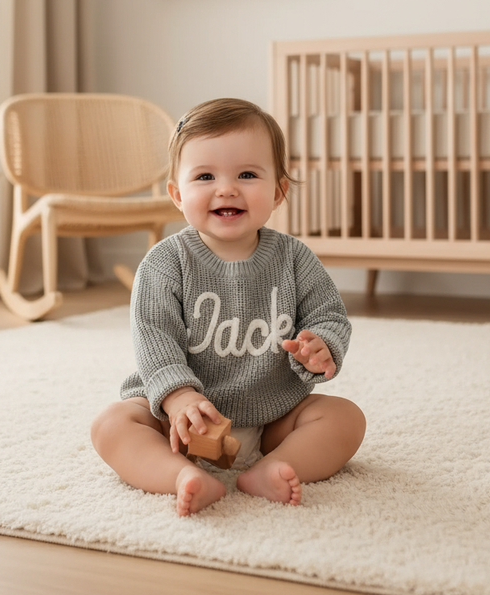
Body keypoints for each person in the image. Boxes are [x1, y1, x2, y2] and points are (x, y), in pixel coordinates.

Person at [91, 98, 366, 517]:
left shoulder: (294, 258)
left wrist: (321, 345)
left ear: (278, 192)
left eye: (247, 174)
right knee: (111, 425)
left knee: (346, 418)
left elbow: (329, 314)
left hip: (275, 414)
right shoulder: (165, 264)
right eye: (205, 176)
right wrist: (178, 398)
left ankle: (274, 467)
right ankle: (180, 476)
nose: (227, 188)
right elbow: (153, 337)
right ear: (177, 194)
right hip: (181, 423)